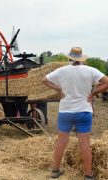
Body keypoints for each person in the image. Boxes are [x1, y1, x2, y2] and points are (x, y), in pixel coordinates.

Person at [42, 47, 108, 180]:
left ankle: (55, 171)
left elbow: (44, 80)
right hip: (84, 111)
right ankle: (88, 175)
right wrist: (93, 93)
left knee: (61, 141)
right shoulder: (91, 70)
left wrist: (59, 89)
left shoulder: (62, 70)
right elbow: (107, 82)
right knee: (84, 143)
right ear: (81, 59)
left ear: (69, 58)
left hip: (65, 111)